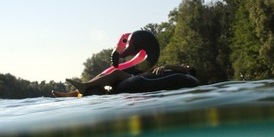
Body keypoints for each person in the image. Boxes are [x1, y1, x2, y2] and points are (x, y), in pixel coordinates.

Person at [52, 30, 198, 97]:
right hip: (142, 79)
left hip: (143, 80)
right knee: (113, 73)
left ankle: (82, 88)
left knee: (115, 73)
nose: (184, 64)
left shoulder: (185, 73)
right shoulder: (169, 72)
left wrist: (168, 67)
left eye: (185, 65)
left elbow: (187, 70)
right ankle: (74, 92)